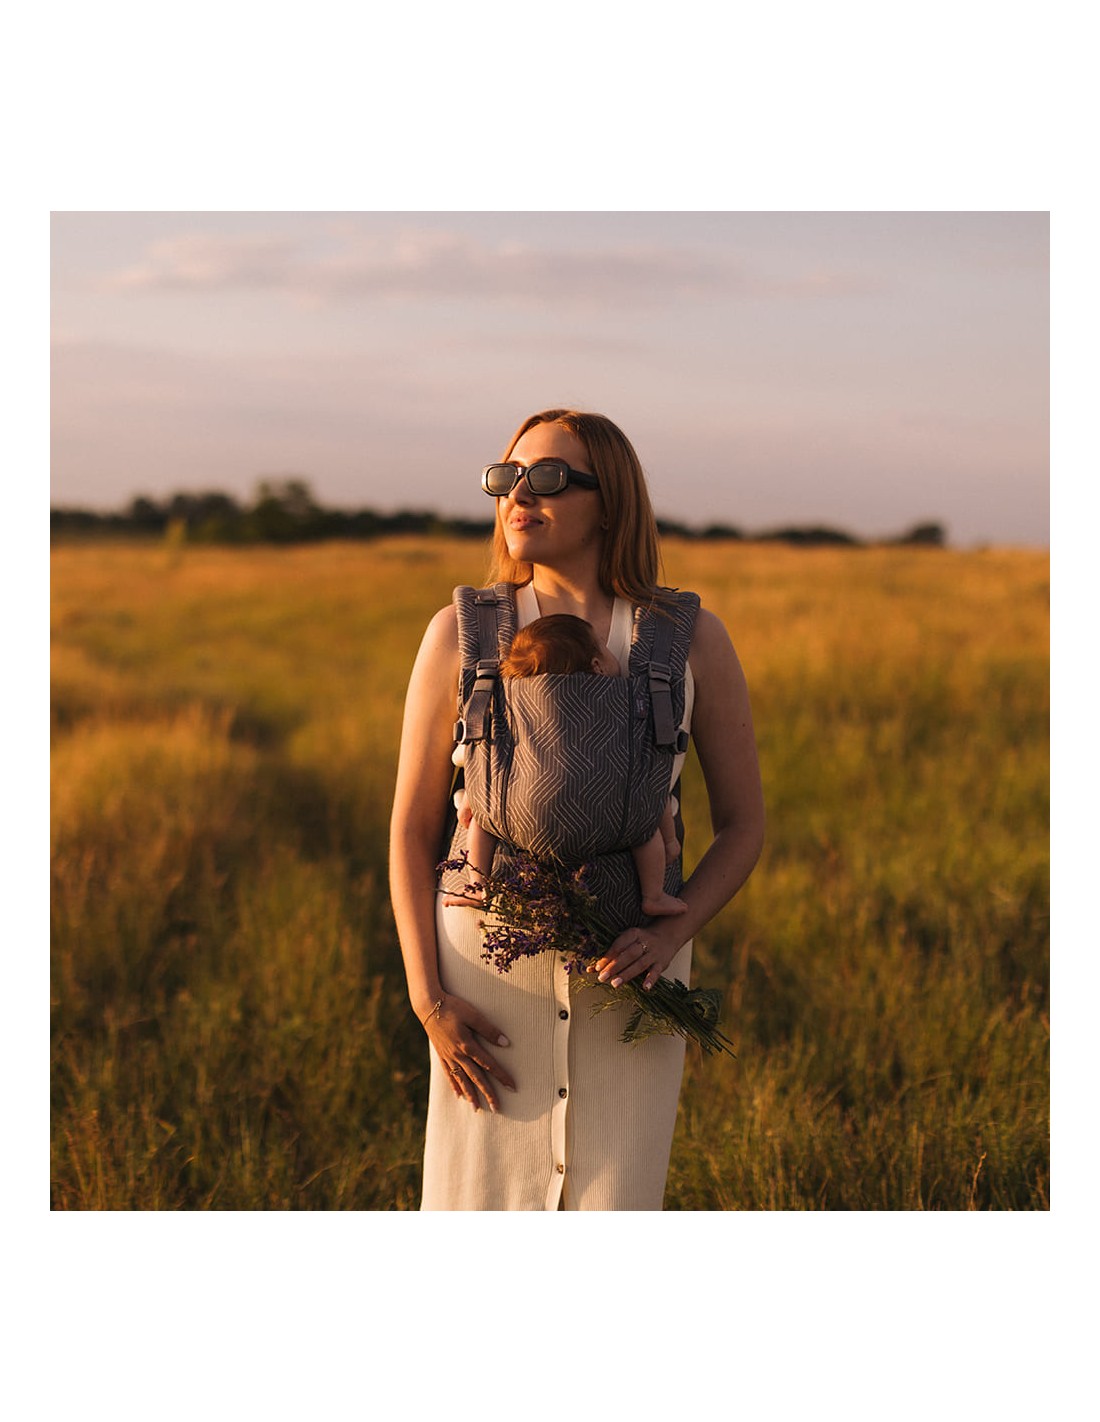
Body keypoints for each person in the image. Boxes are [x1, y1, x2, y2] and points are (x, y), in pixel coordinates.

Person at [389, 408, 765, 1210]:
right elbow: (413, 831)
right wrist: (428, 1001)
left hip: (631, 979)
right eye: (507, 477)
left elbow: (744, 826)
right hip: (484, 990)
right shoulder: (459, 635)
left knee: (614, 1197)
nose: (520, 494)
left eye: (550, 478)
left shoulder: (689, 640)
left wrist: (668, 933)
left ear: (613, 502)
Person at [443, 612, 688, 919]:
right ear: (597, 667)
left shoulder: (515, 707)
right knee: (645, 816)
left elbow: (479, 762)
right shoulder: (617, 708)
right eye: (602, 645)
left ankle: (479, 885)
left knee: (483, 820)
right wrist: (669, 840)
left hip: (522, 814)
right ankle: (654, 895)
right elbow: (651, 776)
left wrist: (474, 800)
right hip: (608, 813)